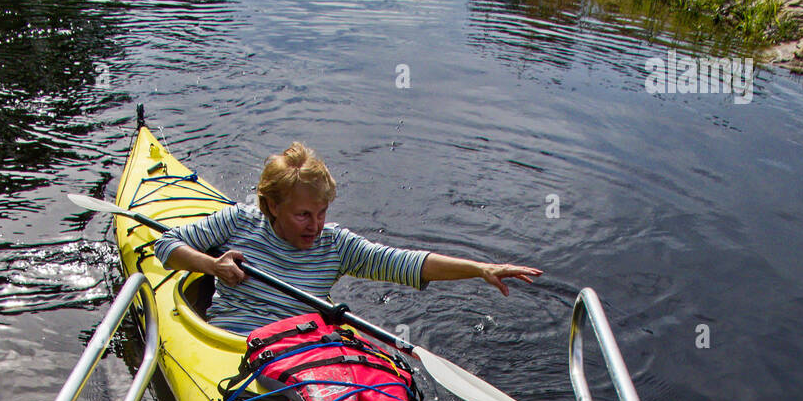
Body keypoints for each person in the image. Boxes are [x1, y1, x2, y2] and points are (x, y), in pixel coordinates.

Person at [152, 141, 542, 336]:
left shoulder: (335, 246)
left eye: (322, 213)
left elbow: (405, 263)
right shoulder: (238, 221)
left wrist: (479, 268)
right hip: (229, 343)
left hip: (293, 353)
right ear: (271, 206)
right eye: (303, 214)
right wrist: (211, 265)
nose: (316, 225)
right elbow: (166, 245)